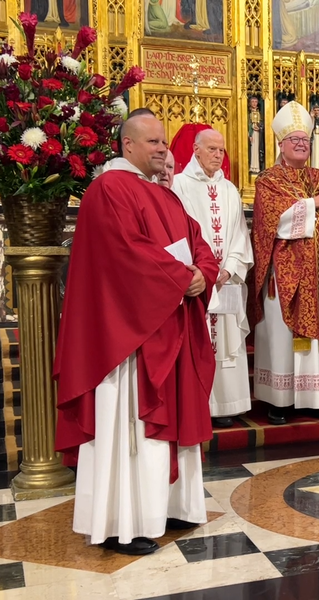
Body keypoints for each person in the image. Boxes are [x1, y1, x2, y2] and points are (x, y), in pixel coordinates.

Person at [54, 110, 218, 555]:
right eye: (153, 142)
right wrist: (181, 277)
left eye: (164, 141)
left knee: (171, 418)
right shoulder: (109, 189)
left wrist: (202, 272)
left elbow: (197, 242)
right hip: (129, 338)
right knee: (131, 428)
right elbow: (126, 251)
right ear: (127, 144)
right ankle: (123, 522)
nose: (163, 148)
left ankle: (170, 507)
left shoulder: (164, 195)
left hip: (170, 324)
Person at [252, 101, 319, 424]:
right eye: (294, 139)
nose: (301, 144)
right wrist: (314, 203)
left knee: (316, 339)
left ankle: (313, 398)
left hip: (318, 273)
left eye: (304, 139)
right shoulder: (268, 179)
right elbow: (272, 221)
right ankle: (279, 400)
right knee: (281, 336)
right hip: (283, 273)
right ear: (281, 144)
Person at [172, 129, 254, 428]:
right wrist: (204, 270)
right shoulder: (179, 185)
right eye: (212, 149)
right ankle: (201, 403)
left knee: (228, 339)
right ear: (196, 150)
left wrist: (229, 268)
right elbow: (178, 232)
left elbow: (240, 234)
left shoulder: (230, 189)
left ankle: (228, 403)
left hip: (227, 281)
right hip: (197, 279)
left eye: (221, 150)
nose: (218, 155)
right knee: (200, 337)